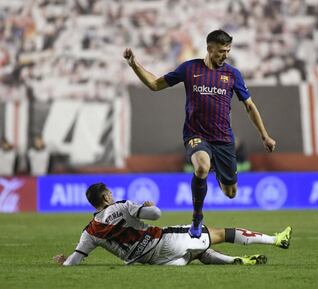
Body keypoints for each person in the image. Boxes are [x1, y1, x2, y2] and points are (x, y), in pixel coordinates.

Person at [123, 29, 276, 238]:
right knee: (202, 167)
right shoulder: (190, 68)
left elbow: (249, 106)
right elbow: (155, 84)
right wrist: (134, 65)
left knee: (231, 193)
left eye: (228, 50)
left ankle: (216, 168)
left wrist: (264, 135)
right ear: (209, 48)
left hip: (223, 139)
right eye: (221, 51)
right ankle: (197, 216)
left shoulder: (232, 74)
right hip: (196, 135)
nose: (225, 54)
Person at [53, 183, 292, 266]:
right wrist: (149, 204)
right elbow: (156, 215)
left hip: (152, 262)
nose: (112, 195)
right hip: (162, 241)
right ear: (105, 198)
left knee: (198, 253)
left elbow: (74, 260)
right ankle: (276, 239)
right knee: (218, 233)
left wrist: (65, 263)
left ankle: (235, 261)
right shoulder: (121, 205)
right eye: (109, 193)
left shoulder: (90, 231)